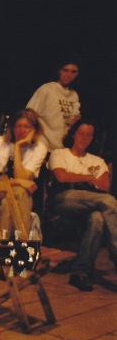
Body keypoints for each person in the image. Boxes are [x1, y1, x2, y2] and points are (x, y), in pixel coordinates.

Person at [47, 119, 116, 292]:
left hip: (91, 204)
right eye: (81, 133)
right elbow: (62, 177)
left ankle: (80, 273)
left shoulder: (97, 160)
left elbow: (104, 186)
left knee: (98, 218)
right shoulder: (59, 154)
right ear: (73, 134)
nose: (84, 137)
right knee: (109, 201)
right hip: (64, 199)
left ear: (93, 138)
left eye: (89, 134)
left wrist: (77, 175)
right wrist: (88, 177)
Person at [0, 108, 47, 239]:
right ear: (11, 128)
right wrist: (17, 182)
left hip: (17, 198)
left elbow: (21, 177)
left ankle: (2, 245)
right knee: (19, 192)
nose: (22, 131)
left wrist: (17, 147)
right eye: (18, 126)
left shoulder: (39, 148)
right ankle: (23, 247)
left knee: (13, 198)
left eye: (27, 127)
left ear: (35, 130)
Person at [26, 58, 80, 150]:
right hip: (42, 144)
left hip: (60, 145)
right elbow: (28, 114)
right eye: (65, 70)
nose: (69, 75)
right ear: (59, 71)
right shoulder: (47, 89)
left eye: (73, 72)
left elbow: (67, 122)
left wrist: (73, 123)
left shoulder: (74, 95)